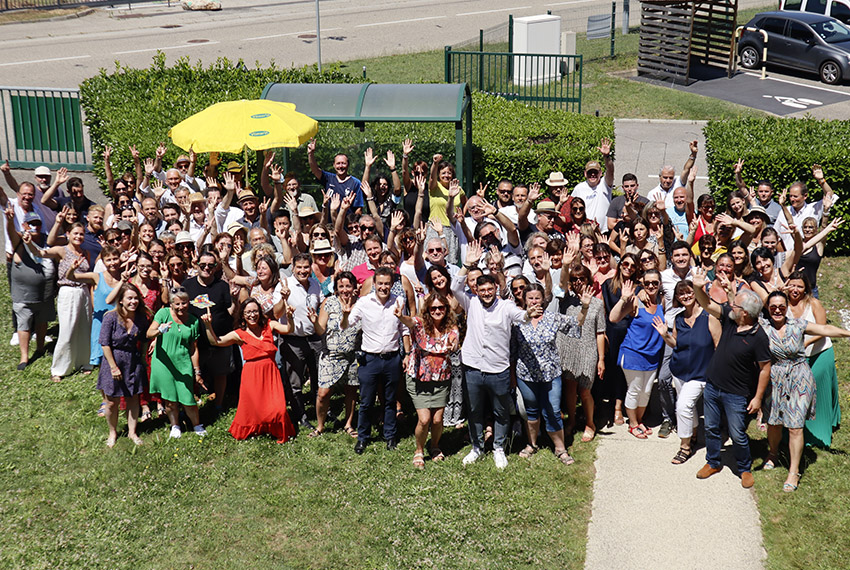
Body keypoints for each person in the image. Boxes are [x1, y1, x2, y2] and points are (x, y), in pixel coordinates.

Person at [451, 241, 536, 469]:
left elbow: (522, 317)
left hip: (498, 369)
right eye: (482, 290)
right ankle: (477, 447)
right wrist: (467, 265)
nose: (486, 293)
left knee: (500, 411)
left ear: (496, 290)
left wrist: (530, 314)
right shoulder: (470, 303)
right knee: (475, 410)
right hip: (472, 367)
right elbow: (454, 288)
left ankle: (498, 447)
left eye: (490, 290)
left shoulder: (506, 306)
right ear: (476, 291)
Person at [760, 291, 850, 491]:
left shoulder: (798, 325)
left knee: (795, 426)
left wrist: (847, 333)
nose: (777, 310)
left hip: (800, 376)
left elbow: (825, 328)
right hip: (776, 377)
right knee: (774, 422)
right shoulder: (763, 328)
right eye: (773, 306)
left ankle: (793, 471)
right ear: (767, 308)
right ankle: (773, 453)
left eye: (781, 306)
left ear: (787, 308)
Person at [691, 267, 771, 488]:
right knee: (711, 429)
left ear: (745, 312)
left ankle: (744, 469)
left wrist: (757, 398)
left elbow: (765, 369)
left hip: (736, 394)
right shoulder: (730, 319)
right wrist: (698, 287)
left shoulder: (759, 337)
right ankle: (713, 462)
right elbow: (707, 304)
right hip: (713, 386)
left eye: (736, 305)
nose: (731, 306)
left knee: (737, 433)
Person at [202, 298, 297, 443]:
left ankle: (276, 429)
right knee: (253, 408)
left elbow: (288, 329)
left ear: (259, 312)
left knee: (278, 408)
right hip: (252, 374)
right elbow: (216, 341)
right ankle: (258, 429)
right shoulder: (239, 334)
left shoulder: (269, 326)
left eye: (254, 311)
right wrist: (208, 326)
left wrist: (289, 317)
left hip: (270, 372)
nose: (252, 315)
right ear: (242, 315)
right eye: (248, 312)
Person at [513, 282, 588, 465]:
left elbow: (576, 322)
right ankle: (531, 444)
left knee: (553, 411)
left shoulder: (552, 318)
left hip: (551, 374)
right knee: (531, 411)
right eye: (530, 298)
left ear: (543, 300)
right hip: (526, 375)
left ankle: (560, 448)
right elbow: (512, 350)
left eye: (537, 298)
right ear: (524, 300)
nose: (534, 301)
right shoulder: (517, 320)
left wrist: (584, 306)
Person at [341, 266, 411, 453]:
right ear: (374, 283)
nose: (383, 287)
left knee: (390, 401)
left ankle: (390, 436)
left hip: (392, 358)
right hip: (369, 360)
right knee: (366, 401)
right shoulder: (364, 302)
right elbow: (346, 325)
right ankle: (363, 437)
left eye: (387, 284)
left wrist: (408, 354)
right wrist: (346, 314)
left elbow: (404, 330)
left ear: (392, 284)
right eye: (380, 283)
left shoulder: (398, 301)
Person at [652, 280, 719, 464]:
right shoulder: (679, 318)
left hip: (701, 373)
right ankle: (694, 433)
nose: (686, 296)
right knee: (687, 407)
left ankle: (685, 447)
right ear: (677, 298)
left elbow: (718, 346)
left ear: (696, 293)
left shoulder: (709, 317)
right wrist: (665, 334)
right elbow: (675, 344)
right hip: (679, 370)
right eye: (681, 294)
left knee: (682, 406)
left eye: (689, 292)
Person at [395, 293, 460, 468]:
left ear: (446, 309)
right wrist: (400, 315)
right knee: (424, 419)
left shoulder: (451, 328)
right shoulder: (420, 324)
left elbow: (454, 344)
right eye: (433, 308)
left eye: (441, 308)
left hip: (441, 379)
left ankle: (435, 446)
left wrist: (454, 345)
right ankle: (419, 450)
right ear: (428, 310)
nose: (437, 311)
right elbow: (408, 321)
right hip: (419, 378)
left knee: (438, 419)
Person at [26, 222, 92, 382]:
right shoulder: (61, 250)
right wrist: (29, 243)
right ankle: (59, 368)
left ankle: (84, 362)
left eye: (81, 234)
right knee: (67, 330)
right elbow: (41, 253)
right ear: (68, 234)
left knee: (84, 328)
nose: (78, 237)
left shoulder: (85, 253)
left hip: (83, 292)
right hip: (67, 291)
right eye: (75, 233)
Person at [785, 272, 841, 447]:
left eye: (800, 286)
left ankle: (819, 432)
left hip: (819, 352)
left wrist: (806, 340)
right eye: (792, 285)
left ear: (806, 289)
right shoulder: (781, 305)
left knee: (816, 391)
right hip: (795, 357)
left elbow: (822, 329)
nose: (795, 289)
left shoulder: (813, 304)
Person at [609, 270, 665, 438]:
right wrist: (623, 298)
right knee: (634, 389)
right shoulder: (636, 301)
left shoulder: (663, 301)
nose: (651, 286)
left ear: (660, 284)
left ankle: (639, 421)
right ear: (643, 284)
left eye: (655, 283)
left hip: (652, 355)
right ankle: (632, 424)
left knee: (646, 391)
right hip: (633, 353)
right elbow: (613, 318)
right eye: (647, 283)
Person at [146, 286, 207, 438]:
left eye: (184, 303)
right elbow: (149, 333)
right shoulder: (163, 314)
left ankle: (197, 425)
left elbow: (193, 349)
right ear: (171, 304)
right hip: (164, 363)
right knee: (170, 399)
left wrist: (197, 371)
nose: (181, 307)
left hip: (183, 363)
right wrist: (160, 330)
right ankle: (175, 425)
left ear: (189, 303)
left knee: (188, 399)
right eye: (177, 303)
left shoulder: (193, 321)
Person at [97, 283, 150, 447]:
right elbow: (104, 344)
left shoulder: (141, 318)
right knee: (111, 401)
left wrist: (143, 356)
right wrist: (113, 367)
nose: (133, 301)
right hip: (112, 360)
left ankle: (132, 432)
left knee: (133, 398)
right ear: (121, 300)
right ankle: (112, 432)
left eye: (136, 298)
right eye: (129, 298)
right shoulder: (110, 317)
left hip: (133, 361)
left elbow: (146, 338)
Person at [310, 271, 361, 438]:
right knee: (323, 393)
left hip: (352, 355)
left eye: (348, 286)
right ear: (336, 288)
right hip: (330, 355)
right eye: (341, 286)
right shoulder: (329, 303)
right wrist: (314, 321)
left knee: (351, 391)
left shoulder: (360, 305)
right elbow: (320, 330)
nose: (345, 289)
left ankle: (348, 424)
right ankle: (320, 426)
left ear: (354, 287)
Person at [559, 264, 606, 443]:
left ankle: (590, 423)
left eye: (582, 279)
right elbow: (560, 284)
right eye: (575, 279)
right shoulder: (565, 300)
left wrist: (601, 359)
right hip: (568, 348)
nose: (578, 282)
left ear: (589, 280)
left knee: (585, 390)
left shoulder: (597, 304)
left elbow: (600, 332)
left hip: (588, 349)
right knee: (570, 388)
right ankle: (571, 420)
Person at [183, 250, 234, 410]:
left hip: (219, 337)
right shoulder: (187, 285)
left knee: (221, 373)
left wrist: (235, 300)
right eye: (203, 265)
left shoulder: (222, 286)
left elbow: (229, 310)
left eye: (210, 265)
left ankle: (218, 404)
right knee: (191, 373)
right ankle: (193, 403)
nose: (206, 268)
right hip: (195, 341)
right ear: (197, 265)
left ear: (216, 267)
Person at [5, 208, 55, 370]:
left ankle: (40, 348)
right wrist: (10, 220)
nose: (35, 226)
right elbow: (11, 232)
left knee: (42, 322)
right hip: (23, 296)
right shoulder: (19, 241)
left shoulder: (45, 240)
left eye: (38, 223)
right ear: (25, 225)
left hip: (44, 294)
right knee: (24, 324)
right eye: (31, 223)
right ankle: (24, 357)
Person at [281, 252, 324, 429]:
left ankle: (319, 411)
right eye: (299, 267)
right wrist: (283, 298)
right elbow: (276, 313)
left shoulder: (315, 284)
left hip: (313, 337)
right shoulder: (285, 285)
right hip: (293, 340)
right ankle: (301, 415)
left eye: (306, 267)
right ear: (293, 268)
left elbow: (321, 304)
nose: (303, 270)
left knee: (317, 376)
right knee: (295, 380)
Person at [600, 252, 639, 425]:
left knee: (623, 370)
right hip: (612, 331)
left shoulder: (638, 288)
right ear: (620, 264)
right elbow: (607, 311)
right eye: (626, 264)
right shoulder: (608, 285)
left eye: (632, 266)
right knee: (611, 368)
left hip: (630, 332)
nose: (628, 268)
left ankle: (618, 407)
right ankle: (607, 404)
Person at [308, 139, 363, 211]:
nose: (341, 166)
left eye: (343, 163)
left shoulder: (355, 183)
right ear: (334, 165)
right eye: (338, 163)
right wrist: (310, 154)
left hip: (347, 221)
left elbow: (358, 208)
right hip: (330, 221)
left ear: (348, 165)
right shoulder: (328, 178)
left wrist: (354, 221)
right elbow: (315, 170)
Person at [571, 138, 614, 230]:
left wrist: (606, 156)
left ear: (601, 173)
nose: (593, 175)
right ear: (585, 174)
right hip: (585, 231)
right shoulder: (579, 188)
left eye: (595, 172)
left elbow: (610, 170)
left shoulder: (604, 184)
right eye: (590, 172)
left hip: (603, 232)